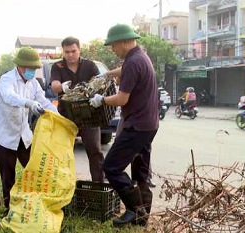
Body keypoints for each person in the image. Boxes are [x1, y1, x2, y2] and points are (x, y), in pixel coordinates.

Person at [89, 24, 158, 227]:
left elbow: (121, 99)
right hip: (149, 124)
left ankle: (133, 209)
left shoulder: (133, 62)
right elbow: (125, 70)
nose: (112, 49)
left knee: (111, 167)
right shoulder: (140, 57)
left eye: (114, 45)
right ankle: (142, 218)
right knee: (140, 171)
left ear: (125, 42)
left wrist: (101, 99)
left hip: (136, 125)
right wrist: (107, 74)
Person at [0, 47, 58, 217]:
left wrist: (58, 116)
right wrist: (29, 103)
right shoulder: (7, 80)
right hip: (4, 136)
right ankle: (10, 209)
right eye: (30, 68)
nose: (32, 72)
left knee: (34, 169)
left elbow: (43, 101)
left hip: (23, 135)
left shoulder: (33, 83)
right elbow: (9, 97)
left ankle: (35, 204)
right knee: (8, 175)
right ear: (20, 66)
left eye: (35, 69)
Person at [50, 36, 105, 182]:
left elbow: (101, 83)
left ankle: (98, 185)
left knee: (95, 151)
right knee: (63, 152)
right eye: (67, 52)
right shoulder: (57, 66)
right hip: (66, 115)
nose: (70, 55)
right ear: (63, 51)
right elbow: (54, 85)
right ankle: (64, 185)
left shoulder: (90, 65)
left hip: (90, 115)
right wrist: (61, 87)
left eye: (73, 51)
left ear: (79, 50)